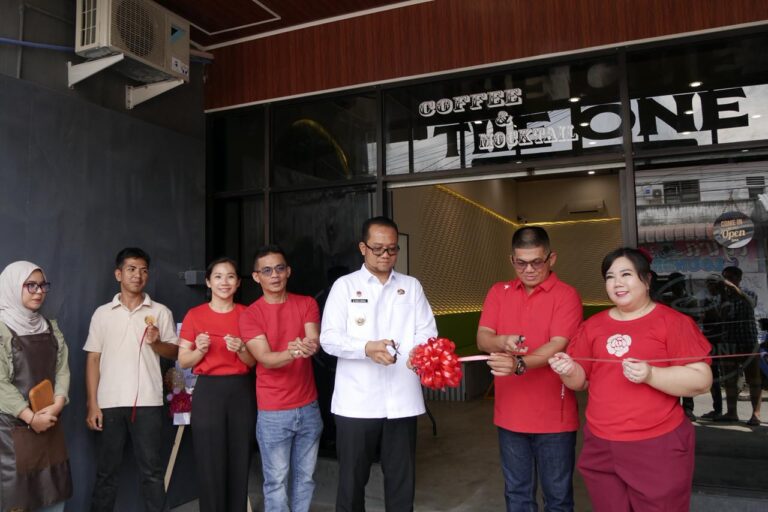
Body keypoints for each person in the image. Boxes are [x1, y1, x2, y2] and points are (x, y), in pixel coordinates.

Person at [549, 247, 712, 512]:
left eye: (626, 274)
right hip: (601, 443)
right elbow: (580, 382)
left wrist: (651, 374)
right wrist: (568, 370)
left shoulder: (672, 322)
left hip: (656, 443)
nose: (617, 283)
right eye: (610, 277)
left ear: (646, 280)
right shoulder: (592, 326)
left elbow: (702, 380)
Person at [320, 216, 437, 512]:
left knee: (401, 483)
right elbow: (329, 339)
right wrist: (366, 348)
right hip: (357, 403)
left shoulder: (411, 286)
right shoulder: (345, 287)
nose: (386, 255)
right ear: (363, 248)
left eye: (392, 249)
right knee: (351, 483)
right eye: (378, 248)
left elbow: (427, 331)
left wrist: (418, 352)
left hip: (402, 401)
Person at [477, 226, 582, 512]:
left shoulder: (566, 295)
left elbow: (558, 344)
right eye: (521, 263)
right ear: (511, 260)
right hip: (510, 415)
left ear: (551, 258)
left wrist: (519, 363)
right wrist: (501, 341)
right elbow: (483, 338)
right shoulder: (498, 292)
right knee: (517, 496)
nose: (529, 270)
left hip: (555, 418)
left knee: (558, 499)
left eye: (537, 262)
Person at [85, 248, 179, 512]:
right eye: (131, 269)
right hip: (109, 402)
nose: (138, 275)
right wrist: (93, 404)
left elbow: (174, 352)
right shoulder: (102, 313)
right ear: (119, 274)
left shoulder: (160, 312)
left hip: (148, 402)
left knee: (152, 472)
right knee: (106, 473)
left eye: (143, 270)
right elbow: (93, 359)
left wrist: (156, 342)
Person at [239, 245, 323, 512]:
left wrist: (309, 346)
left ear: (288, 271)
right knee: (276, 481)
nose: (274, 275)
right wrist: (293, 351)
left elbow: (313, 340)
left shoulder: (307, 303)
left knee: (305, 479)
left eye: (279, 268)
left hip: (308, 406)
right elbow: (265, 358)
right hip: (273, 411)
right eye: (266, 271)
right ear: (256, 277)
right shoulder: (250, 314)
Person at [177, 257, 256, 511]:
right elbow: (183, 360)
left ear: (238, 282)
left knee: (239, 458)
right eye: (218, 276)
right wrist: (199, 350)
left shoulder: (248, 314)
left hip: (241, 390)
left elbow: (253, 362)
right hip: (208, 392)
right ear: (208, 282)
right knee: (209, 462)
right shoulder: (195, 315)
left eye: (230, 276)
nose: (224, 282)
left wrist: (241, 349)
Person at [0, 261, 72, 512]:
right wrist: (31, 418)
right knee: (17, 501)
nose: (39, 291)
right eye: (30, 285)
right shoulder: (2, 329)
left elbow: (62, 369)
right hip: (13, 430)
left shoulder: (50, 327)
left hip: (49, 424)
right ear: (12, 287)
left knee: (54, 498)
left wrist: (58, 403)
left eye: (42, 285)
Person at [718, 265, 761, 425]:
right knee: (730, 380)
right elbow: (720, 317)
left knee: (753, 379)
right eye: (725, 277)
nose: (727, 281)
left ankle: (756, 414)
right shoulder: (723, 298)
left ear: (739, 279)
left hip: (748, 341)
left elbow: (751, 303)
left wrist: (734, 289)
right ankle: (732, 413)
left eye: (731, 277)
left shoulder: (749, 293)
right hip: (729, 343)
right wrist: (723, 295)